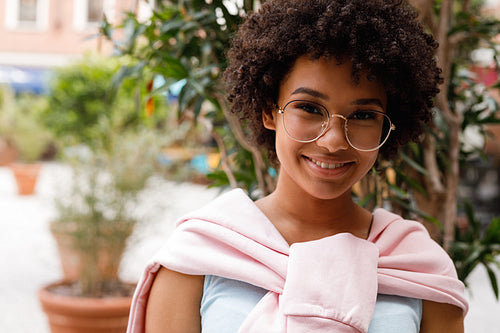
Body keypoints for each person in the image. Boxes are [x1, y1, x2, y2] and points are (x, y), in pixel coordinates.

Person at [127, 0, 468, 332]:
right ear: (268, 111)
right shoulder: (197, 257)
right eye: (309, 107)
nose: (333, 141)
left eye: (363, 115)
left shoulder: (420, 270)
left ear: (388, 125)